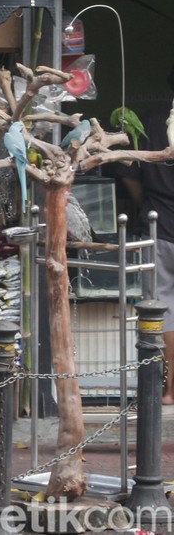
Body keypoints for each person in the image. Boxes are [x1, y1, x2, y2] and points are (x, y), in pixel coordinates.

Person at [120, 66, 174, 404]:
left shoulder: (151, 119)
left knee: (162, 309)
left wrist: (145, 205)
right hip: (161, 225)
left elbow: (130, 175)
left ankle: (169, 390)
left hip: (160, 226)